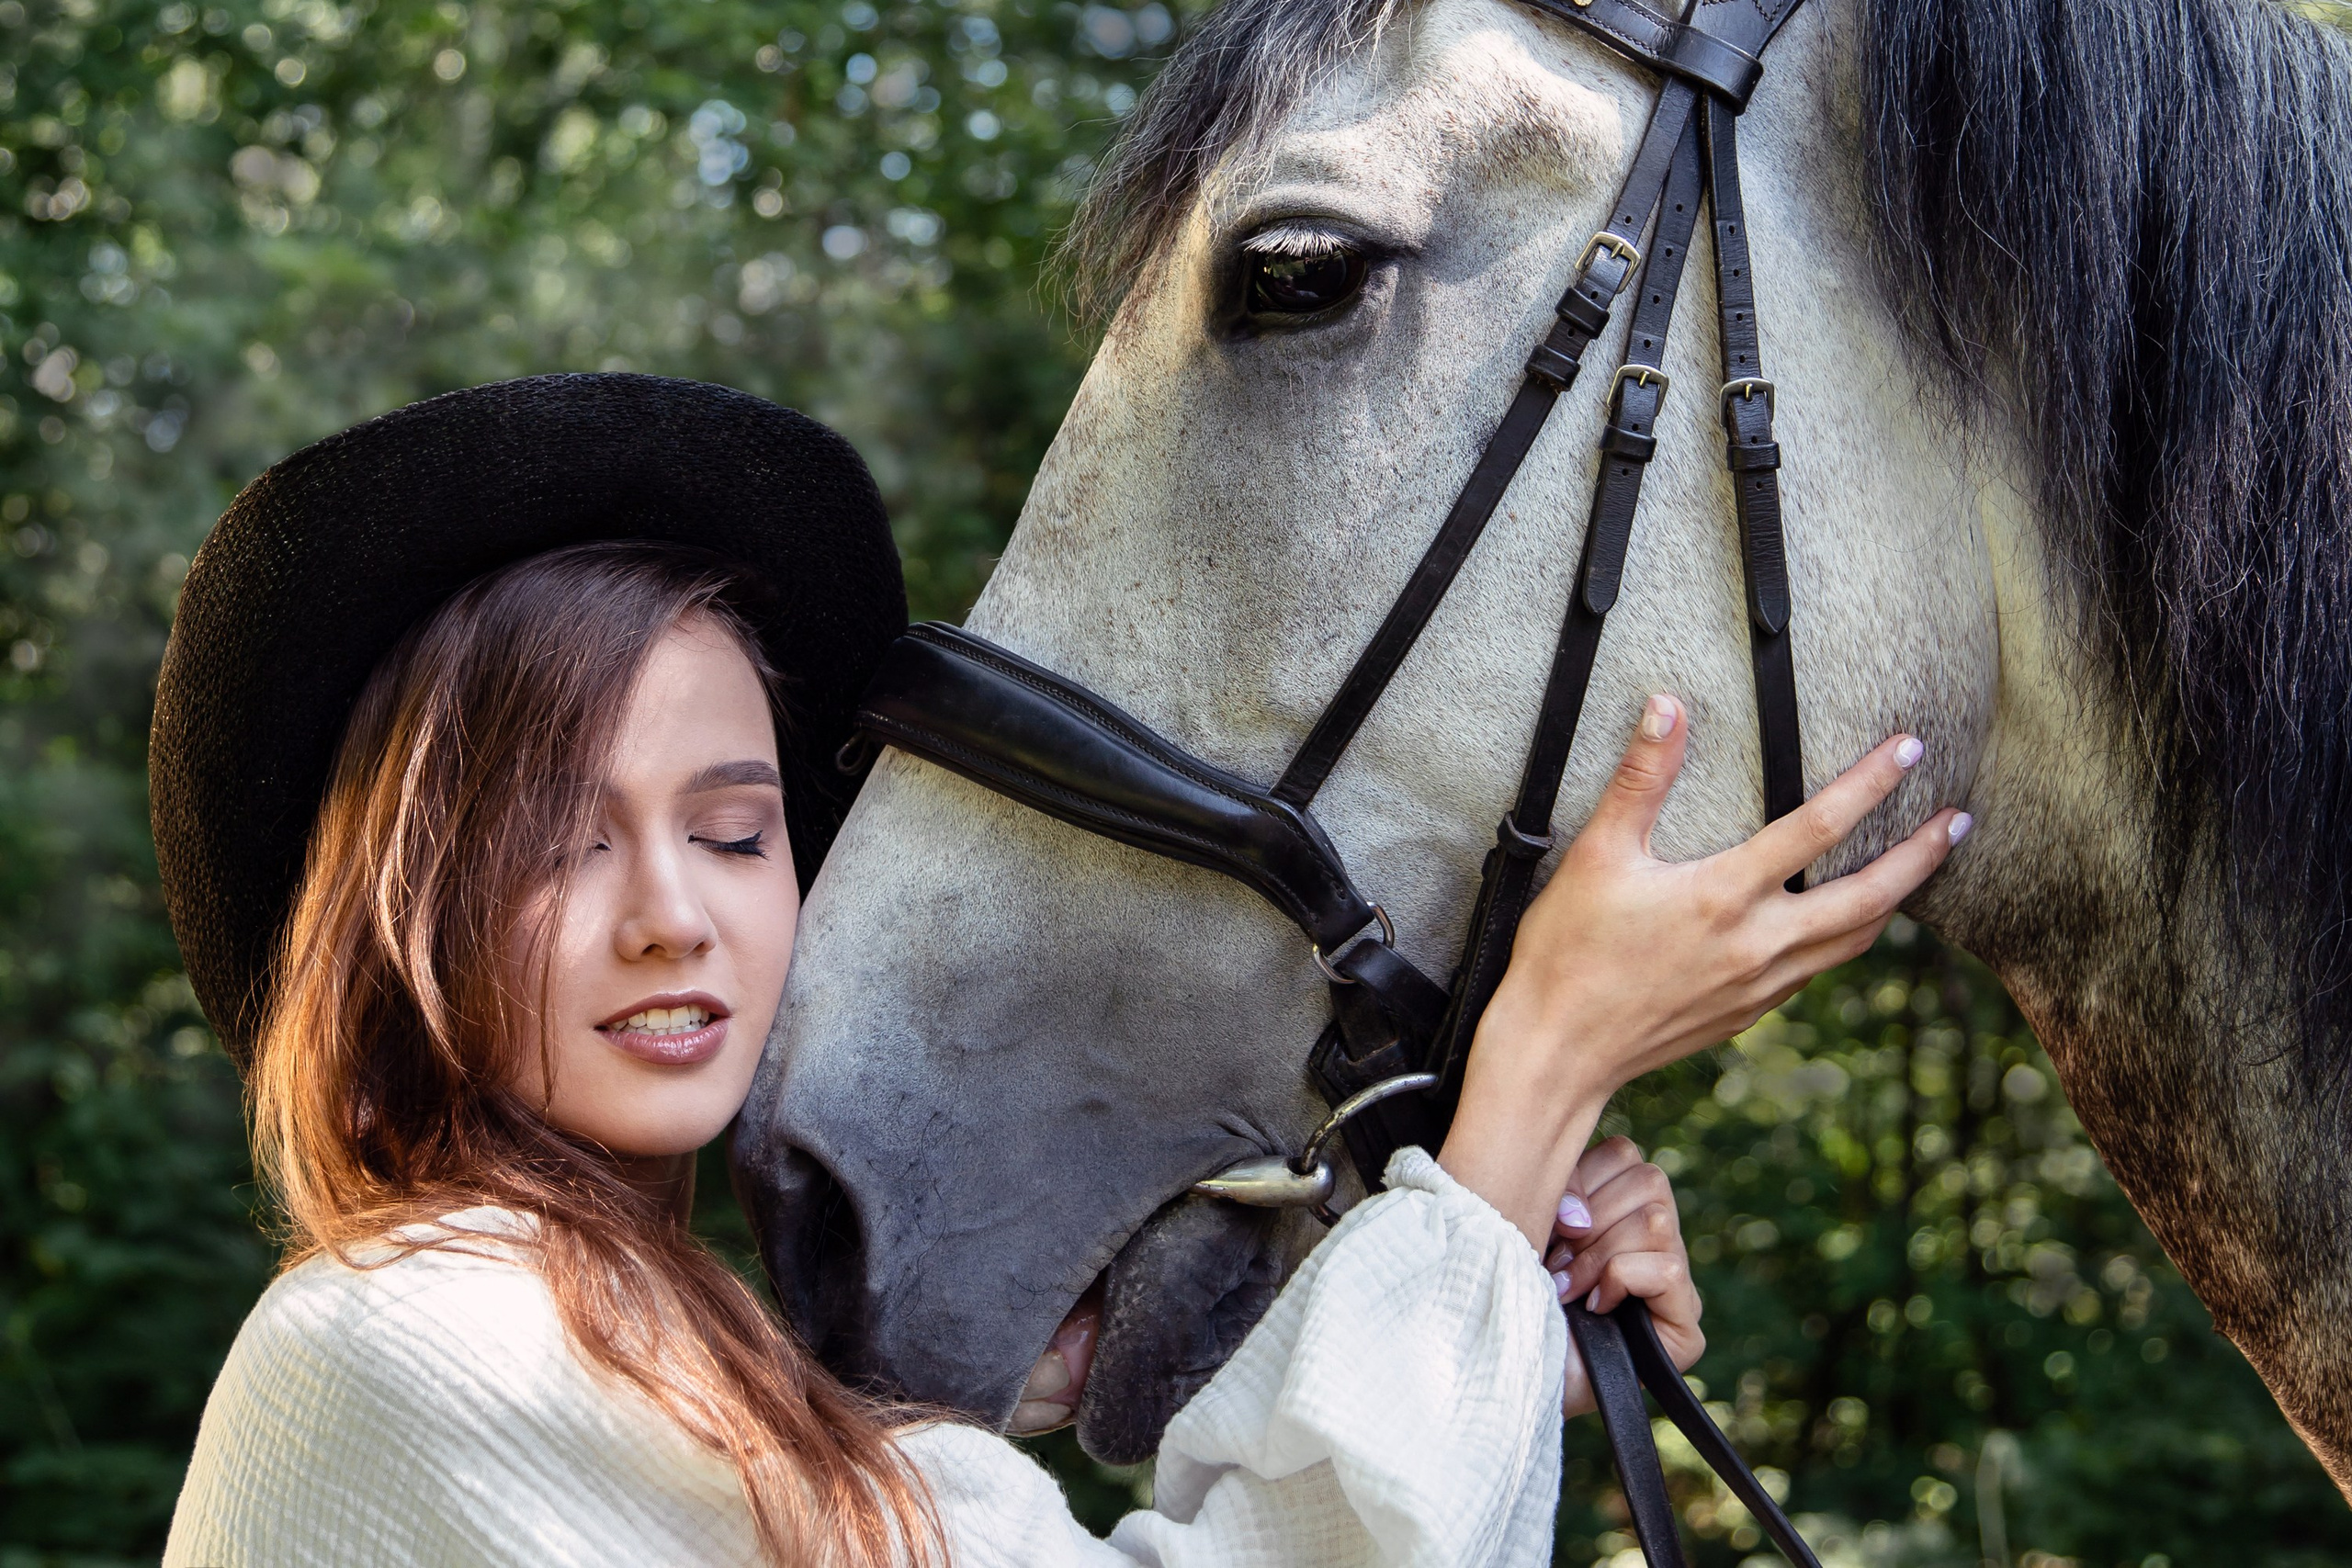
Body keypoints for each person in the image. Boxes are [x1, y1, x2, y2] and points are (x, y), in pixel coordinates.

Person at [151, 375, 1966, 1567]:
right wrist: (1532, 1087)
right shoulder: (416, 1343)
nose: (669, 912)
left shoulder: (665, 1368)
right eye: (561, 837)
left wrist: (1474, 1308)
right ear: (403, 900)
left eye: (731, 828)